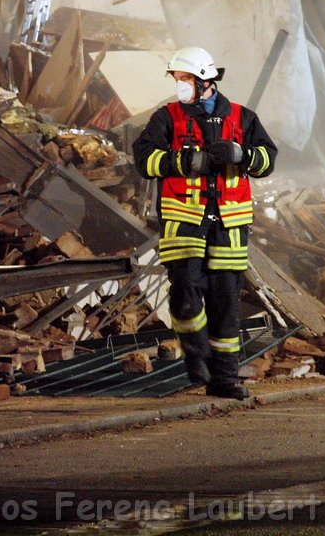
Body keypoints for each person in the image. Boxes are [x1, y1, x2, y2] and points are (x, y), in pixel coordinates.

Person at [132, 47, 276, 400]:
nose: (178, 85)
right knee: (184, 292)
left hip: (229, 224)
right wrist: (184, 161)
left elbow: (267, 160)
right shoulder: (166, 118)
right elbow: (143, 160)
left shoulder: (243, 118)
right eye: (177, 79)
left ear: (203, 80)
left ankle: (224, 379)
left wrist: (242, 155)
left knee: (226, 300)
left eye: (183, 79)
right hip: (183, 221)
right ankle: (197, 355)